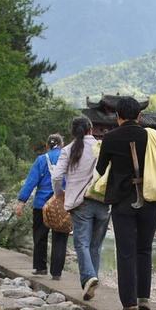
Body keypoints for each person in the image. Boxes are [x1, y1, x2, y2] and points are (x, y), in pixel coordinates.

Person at [96, 97, 156, 310]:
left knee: (125, 252)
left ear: (118, 117)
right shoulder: (152, 137)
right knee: (144, 248)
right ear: (140, 116)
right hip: (150, 199)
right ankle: (144, 298)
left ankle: (129, 304)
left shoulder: (110, 138)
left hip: (123, 201)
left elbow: (101, 167)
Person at [52, 117, 110, 300]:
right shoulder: (101, 147)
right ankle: (91, 280)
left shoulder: (68, 150)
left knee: (81, 243)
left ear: (73, 131)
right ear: (91, 129)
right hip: (102, 201)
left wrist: (59, 193)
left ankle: (88, 277)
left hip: (80, 203)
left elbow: (56, 176)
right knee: (96, 245)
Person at [15, 134, 68, 280]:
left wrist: (21, 202)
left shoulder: (41, 160)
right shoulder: (67, 159)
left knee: (40, 236)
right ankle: (56, 273)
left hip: (41, 204)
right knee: (60, 237)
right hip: (61, 204)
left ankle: (40, 268)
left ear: (47, 146)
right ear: (61, 144)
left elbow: (31, 182)